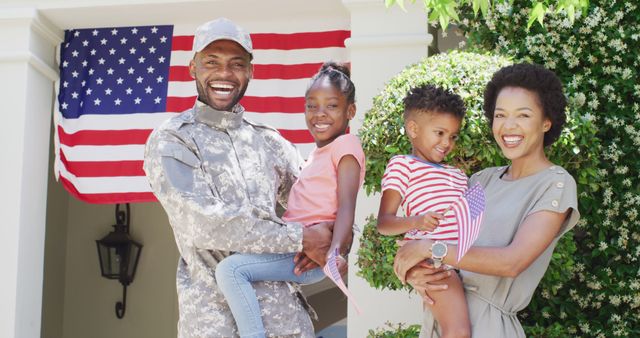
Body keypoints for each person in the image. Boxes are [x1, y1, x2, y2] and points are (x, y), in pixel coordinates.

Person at [143, 18, 333, 338]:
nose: (224, 74)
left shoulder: (269, 142)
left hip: (287, 324)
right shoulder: (174, 139)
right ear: (192, 68)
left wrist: (338, 237)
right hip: (214, 323)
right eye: (211, 62)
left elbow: (321, 199)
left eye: (236, 64)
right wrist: (302, 238)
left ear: (250, 72)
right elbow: (203, 222)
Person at [392, 63, 581, 337]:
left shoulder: (554, 184)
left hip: (490, 327)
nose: (508, 126)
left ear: (546, 122)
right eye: (500, 115)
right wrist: (413, 273)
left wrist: (430, 248)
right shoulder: (482, 182)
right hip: (444, 319)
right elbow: (437, 240)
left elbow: (511, 263)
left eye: (523, 115)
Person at [214, 62, 365, 338]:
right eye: (311, 106)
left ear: (350, 111)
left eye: (331, 106)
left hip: (309, 252)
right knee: (238, 266)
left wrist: (337, 252)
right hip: (296, 245)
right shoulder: (315, 156)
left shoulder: (346, 146)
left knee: (230, 270)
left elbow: (346, 206)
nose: (320, 114)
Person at [377, 84, 471, 338]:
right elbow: (384, 223)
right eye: (439, 133)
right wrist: (416, 221)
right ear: (414, 129)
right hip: (434, 263)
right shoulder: (402, 165)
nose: (446, 143)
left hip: (465, 259)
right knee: (458, 331)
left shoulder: (459, 175)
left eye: (453, 136)